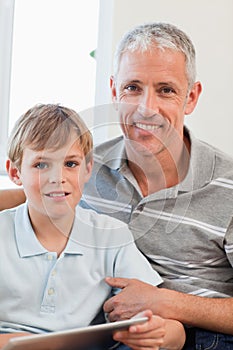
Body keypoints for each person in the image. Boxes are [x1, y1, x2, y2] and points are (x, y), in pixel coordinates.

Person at [1, 22, 233, 349]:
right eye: (132, 88)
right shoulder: (83, 165)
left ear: (190, 97)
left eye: (165, 89)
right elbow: (35, 194)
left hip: (207, 336)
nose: (145, 108)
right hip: (121, 335)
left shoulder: (227, 186)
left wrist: (170, 303)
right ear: (113, 91)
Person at [0, 103, 185, 350]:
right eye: (41, 165)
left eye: (71, 164)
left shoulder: (111, 236)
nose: (58, 178)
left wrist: (158, 332)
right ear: (15, 172)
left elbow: (175, 332)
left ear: (88, 169)